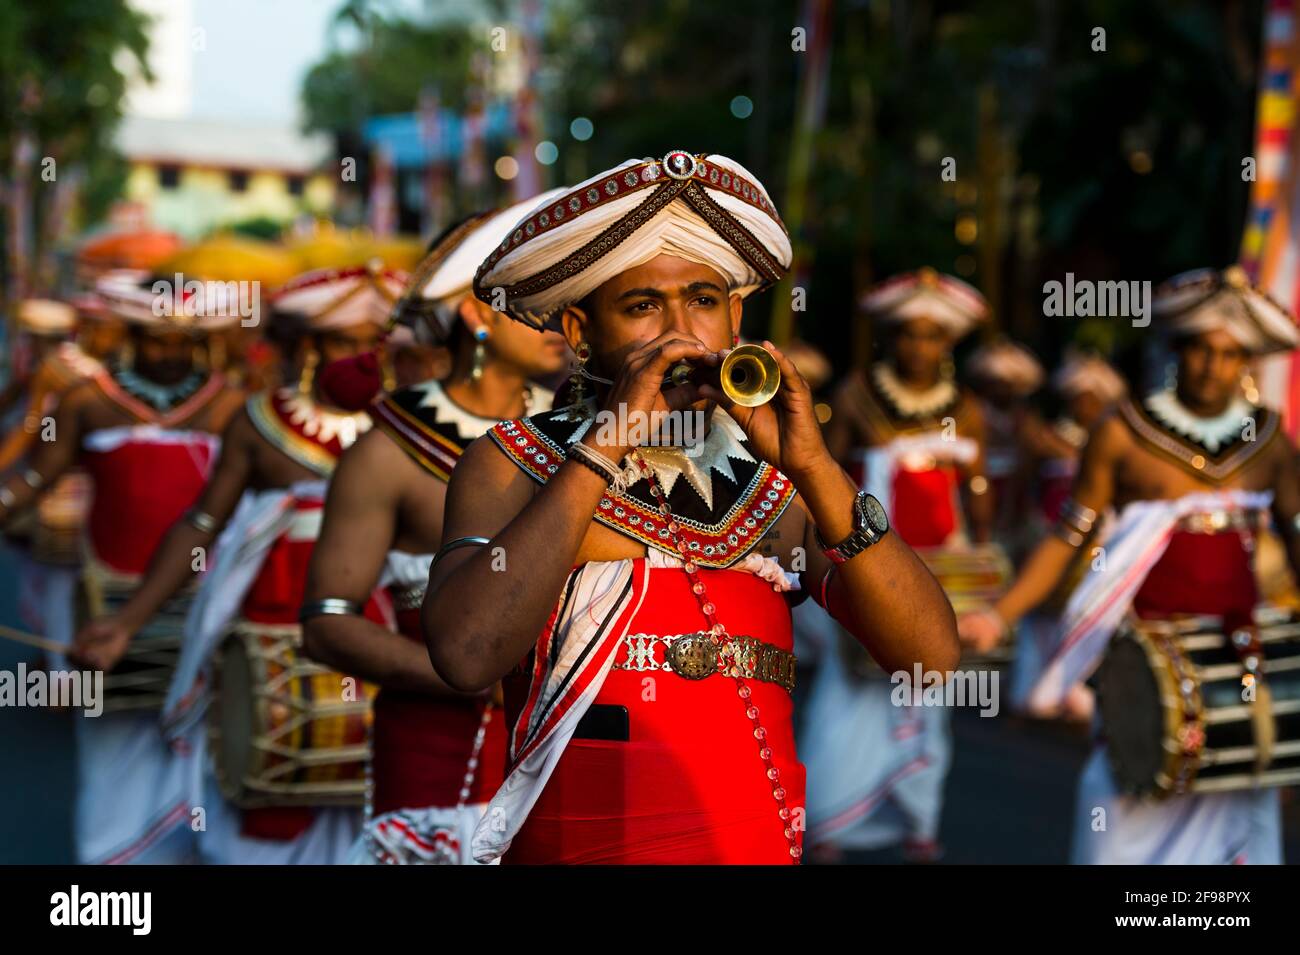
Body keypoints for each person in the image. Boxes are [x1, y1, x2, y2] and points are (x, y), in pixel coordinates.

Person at [421, 151, 959, 865]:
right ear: (581, 332)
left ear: (735, 317)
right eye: (643, 307)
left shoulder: (776, 487)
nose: (682, 332)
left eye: (703, 302)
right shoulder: (513, 460)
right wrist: (606, 445)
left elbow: (931, 660)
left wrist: (814, 466)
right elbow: (465, 653)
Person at [959, 265, 1300, 864]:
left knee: (1241, 791)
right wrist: (999, 613)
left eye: (1230, 354)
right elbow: (1070, 536)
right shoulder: (1123, 432)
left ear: (1245, 360)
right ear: (1175, 347)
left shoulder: (1270, 442)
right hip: (1142, 653)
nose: (1213, 366)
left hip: (1240, 653)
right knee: (1119, 806)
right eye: (1201, 349)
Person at [74, 263, 402, 864]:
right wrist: (126, 624)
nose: (361, 356)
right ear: (307, 346)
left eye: (370, 342)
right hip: (268, 637)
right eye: (344, 342)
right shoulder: (258, 422)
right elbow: (202, 524)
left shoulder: (408, 425)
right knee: (256, 808)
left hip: (377, 637)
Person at [301, 195, 567, 865]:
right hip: (436, 764)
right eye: (535, 300)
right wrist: (460, 669)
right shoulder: (387, 451)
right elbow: (327, 621)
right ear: (476, 314)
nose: (561, 320)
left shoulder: (583, 438)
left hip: (567, 755)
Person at [0, 270, 245, 864]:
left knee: (207, 754)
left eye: (180, 341)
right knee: (109, 753)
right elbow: (34, 478)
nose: (168, 353)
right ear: (131, 334)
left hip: (207, 609)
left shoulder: (231, 406)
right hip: (107, 606)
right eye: (155, 338)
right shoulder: (89, 402)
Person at [800, 270, 991, 862]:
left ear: (949, 344)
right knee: (845, 693)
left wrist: (982, 558)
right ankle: (829, 822)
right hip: (866, 562)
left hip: (941, 575)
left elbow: (975, 490)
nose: (919, 346)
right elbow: (826, 475)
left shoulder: (967, 408)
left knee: (927, 699)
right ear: (892, 336)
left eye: (933, 336)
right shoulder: (857, 395)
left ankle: (918, 822)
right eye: (908, 334)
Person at [1007, 350, 1126, 719]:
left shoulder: (1110, 443)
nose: (1086, 406)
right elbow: (1022, 484)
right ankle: (1031, 693)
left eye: (1094, 400)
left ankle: (1073, 690)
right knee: (1038, 612)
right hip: (1050, 537)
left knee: (1084, 610)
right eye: (1080, 398)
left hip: (1097, 543)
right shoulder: (1046, 439)